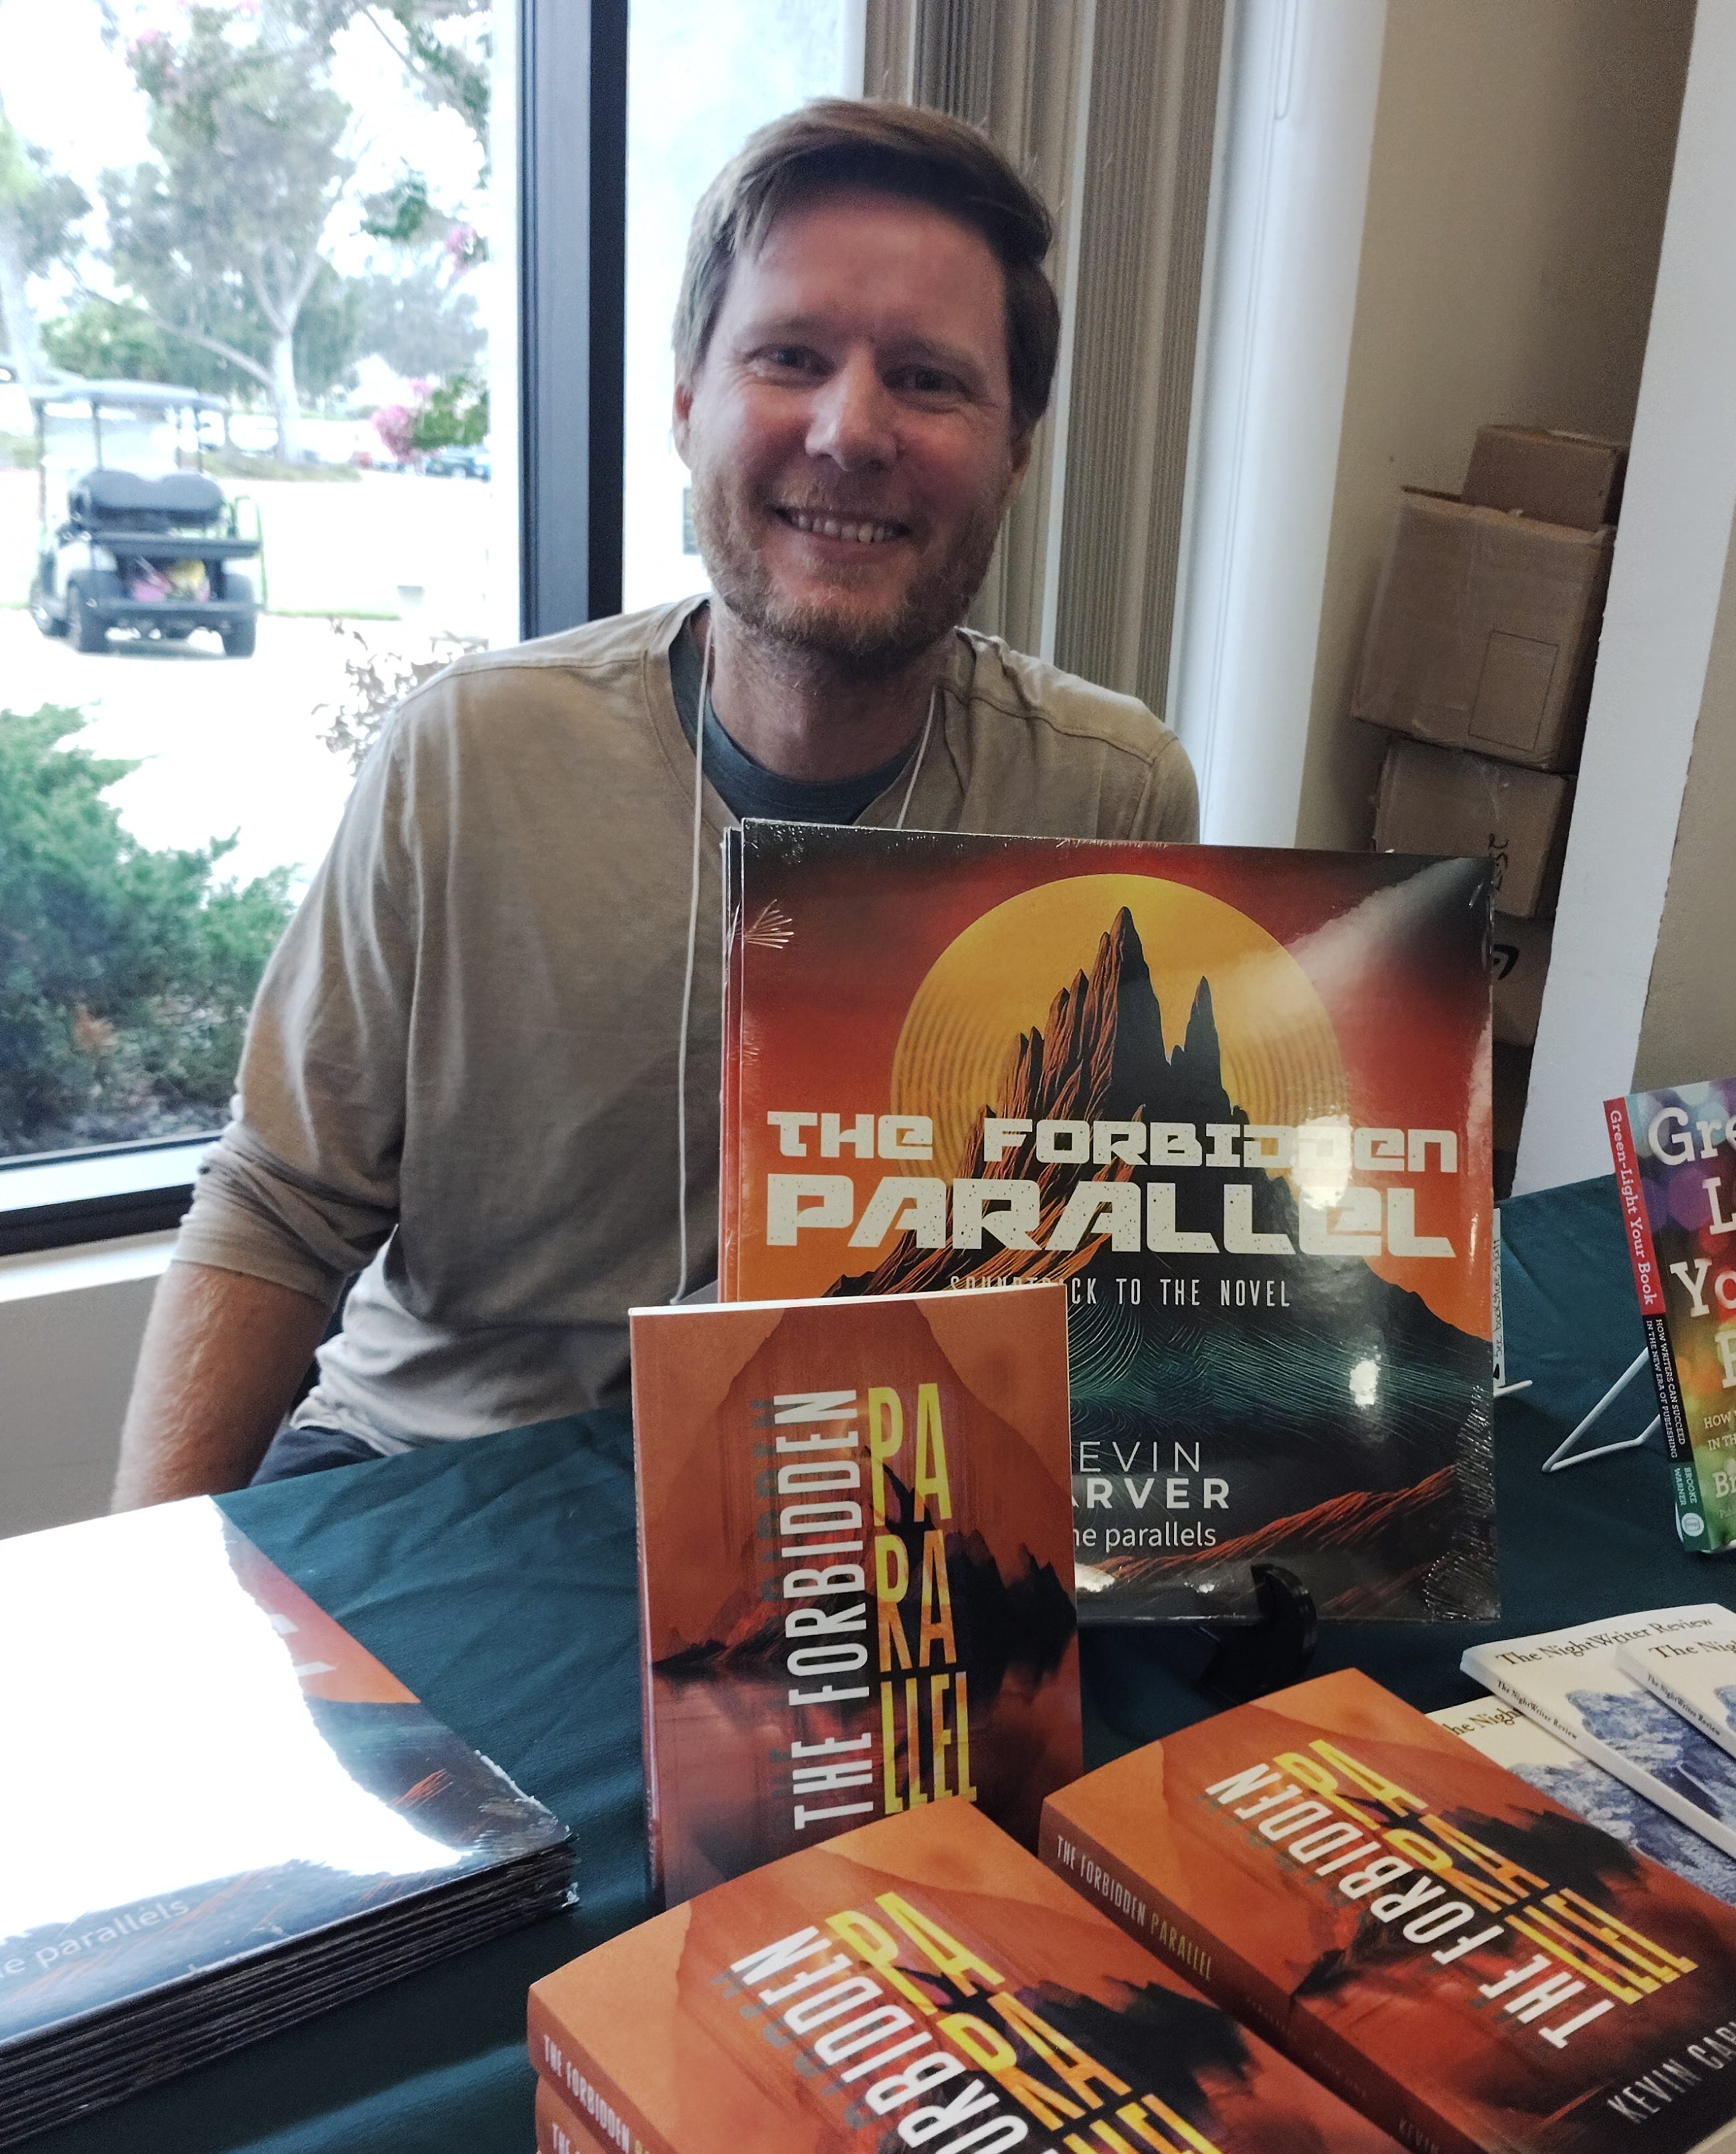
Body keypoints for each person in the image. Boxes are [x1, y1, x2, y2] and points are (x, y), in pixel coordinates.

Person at [112, 100, 1199, 1508]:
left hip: (861, 1497)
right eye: (789, 358)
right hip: (434, 1464)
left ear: (1019, 448)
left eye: (929, 380)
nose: (850, 429)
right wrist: (150, 1584)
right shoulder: (468, 755)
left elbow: (1132, 1251)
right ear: (687, 402)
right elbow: (279, 1200)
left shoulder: (1109, 795)